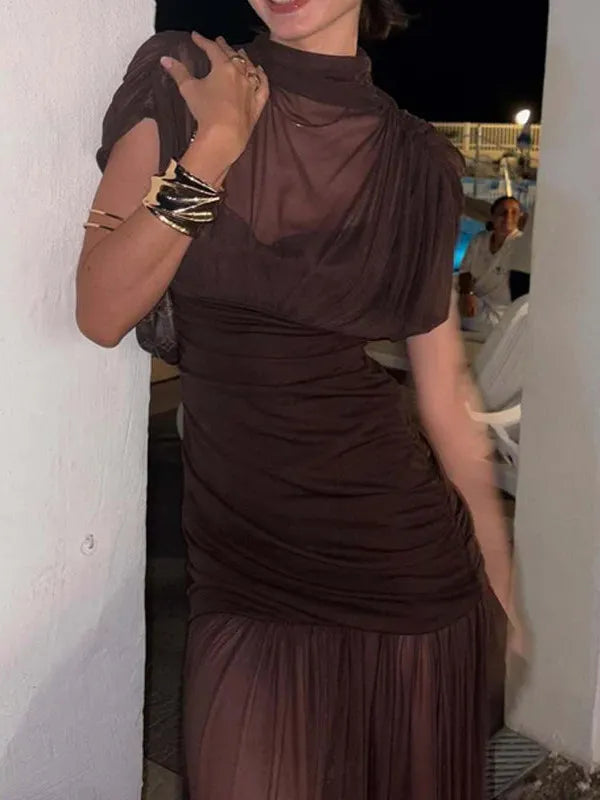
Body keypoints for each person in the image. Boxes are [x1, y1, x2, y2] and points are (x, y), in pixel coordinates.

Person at [76, 1, 522, 797]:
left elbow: (443, 393)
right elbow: (102, 308)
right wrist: (214, 150)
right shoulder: (182, 76)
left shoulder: (417, 162)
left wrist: (500, 579)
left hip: (404, 570)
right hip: (242, 573)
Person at [459, 195, 524, 336]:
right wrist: (467, 294)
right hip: (476, 303)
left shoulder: (521, 246)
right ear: (493, 217)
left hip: (501, 314)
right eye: (503, 213)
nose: (508, 217)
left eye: (514, 213)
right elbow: (465, 272)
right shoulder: (479, 240)